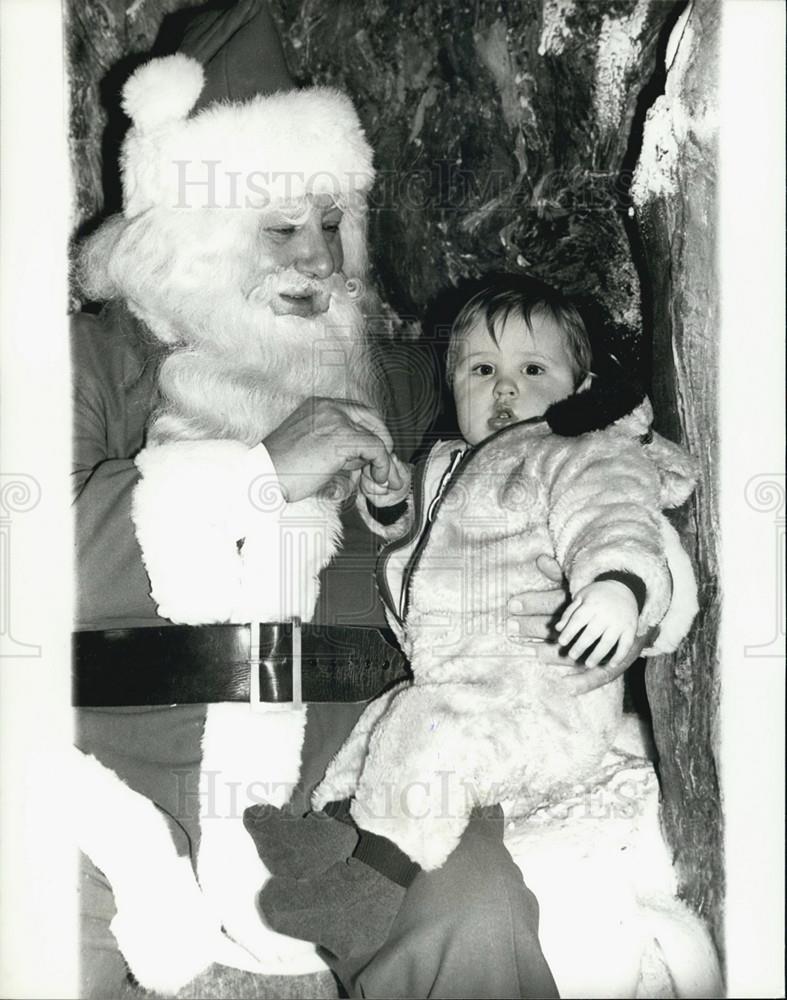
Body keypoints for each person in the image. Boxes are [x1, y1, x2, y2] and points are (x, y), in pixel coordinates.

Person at [71, 4, 650, 998]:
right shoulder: (92, 362)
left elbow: (570, 440)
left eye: (333, 222)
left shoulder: (415, 380)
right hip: (121, 783)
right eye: (281, 224)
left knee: (478, 912)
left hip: (364, 790)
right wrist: (257, 475)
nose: (319, 259)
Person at [249, 272, 699, 987]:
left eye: (532, 370)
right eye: (481, 370)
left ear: (579, 387)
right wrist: (393, 508)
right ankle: (324, 838)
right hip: (460, 682)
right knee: (389, 724)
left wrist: (616, 587)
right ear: (451, 382)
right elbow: (421, 557)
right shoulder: (453, 462)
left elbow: (610, 520)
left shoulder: (575, 454)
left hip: (539, 699)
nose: (505, 389)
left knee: (430, 731)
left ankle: (367, 887)